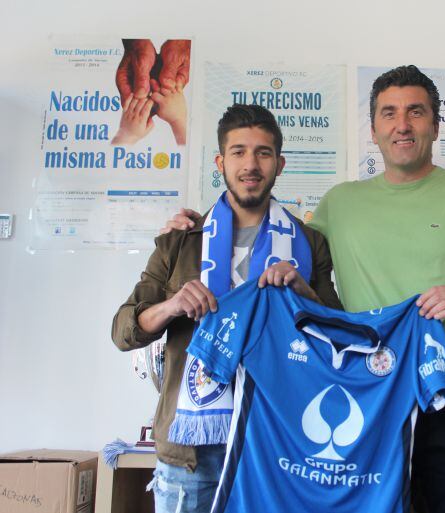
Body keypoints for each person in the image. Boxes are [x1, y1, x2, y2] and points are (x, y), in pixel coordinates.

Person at [165, 65, 445, 513]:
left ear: (436, 125)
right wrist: (197, 227)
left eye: (416, 112)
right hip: (369, 403)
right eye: (389, 113)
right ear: (374, 130)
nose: (402, 124)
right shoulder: (339, 204)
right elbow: (281, 241)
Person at [112, 104, 341, 513]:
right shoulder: (180, 241)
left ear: (280, 163)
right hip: (192, 455)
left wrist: (303, 292)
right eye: (238, 152)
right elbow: (124, 330)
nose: (250, 164)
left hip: (278, 443)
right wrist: (171, 305)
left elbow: (338, 338)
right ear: (220, 162)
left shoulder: (309, 243)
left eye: (263, 153)